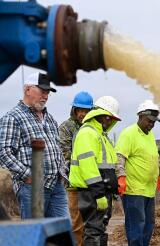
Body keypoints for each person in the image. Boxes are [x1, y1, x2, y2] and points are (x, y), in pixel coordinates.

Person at [0, 72, 69, 219]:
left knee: (62, 233)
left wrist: (62, 170)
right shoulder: (12, 117)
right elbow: (3, 153)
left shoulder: (50, 119)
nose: (45, 96)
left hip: (56, 186)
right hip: (32, 188)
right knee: (36, 235)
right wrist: (28, 175)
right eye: (42, 91)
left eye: (48, 92)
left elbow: (56, 148)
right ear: (27, 89)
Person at [69, 96, 120, 246]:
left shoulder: (100, 135)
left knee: (100, 229)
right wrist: (99, 194)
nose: (110, 122)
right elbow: (88, 166)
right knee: (93, 231)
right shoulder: (88, 133)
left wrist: (113, 188)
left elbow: (108, 166)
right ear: (101, 115)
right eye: (109, 118)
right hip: (91, 192)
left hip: (101, 191)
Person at [115, 100, 160, 246]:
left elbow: (154, 157)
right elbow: (119, 157)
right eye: (149, 121)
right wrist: (121, 177)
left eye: (154, 122)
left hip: (149, 190)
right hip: (134, 190)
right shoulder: (129, 134)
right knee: (136, 226)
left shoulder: (150, 135)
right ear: (141, 116)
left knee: (148, 225)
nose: (152, 124)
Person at [59, 91, 93, 246]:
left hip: (91, 183)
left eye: (87, 111)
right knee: (76, 224)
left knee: (91, 225)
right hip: (74, 184)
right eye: (81, 110)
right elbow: (64, 155)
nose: (83, 114)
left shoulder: (93, 128)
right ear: (74, 110)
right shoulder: (66, 127)